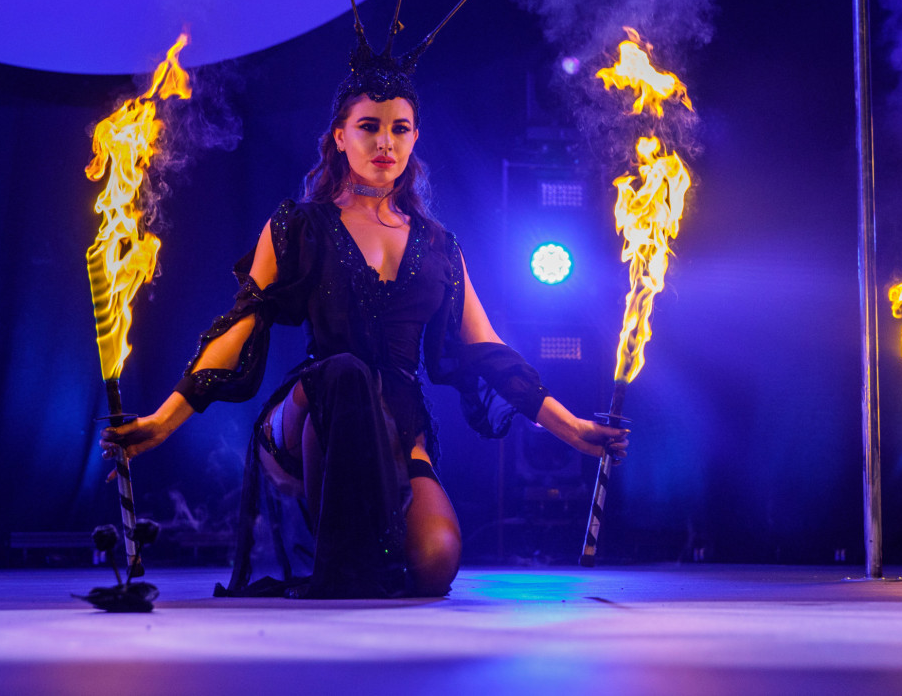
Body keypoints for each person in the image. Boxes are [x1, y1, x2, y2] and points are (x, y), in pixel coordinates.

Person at [100, 46, 626, 598]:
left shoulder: (439, 246)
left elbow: (487, 350)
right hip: (312, 412)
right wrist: (163, 421)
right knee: (346, 371)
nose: (384, 143)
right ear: (339, 137)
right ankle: (342, 558)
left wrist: (573, 429)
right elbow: (240, 328)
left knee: (434, 564)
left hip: (398, 422)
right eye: (368, 127)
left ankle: (359, 549)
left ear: (415, 139)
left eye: (399, 129)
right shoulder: (298, 226)